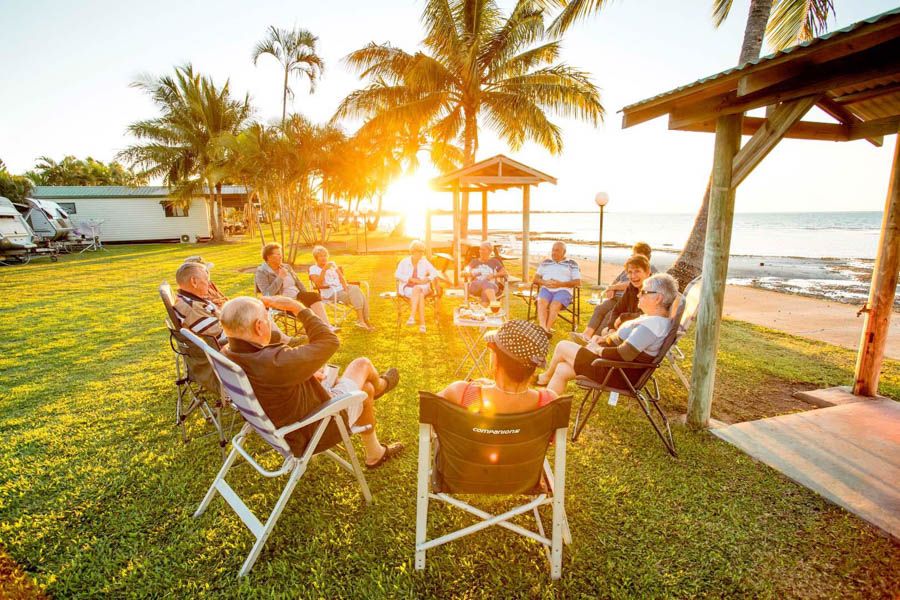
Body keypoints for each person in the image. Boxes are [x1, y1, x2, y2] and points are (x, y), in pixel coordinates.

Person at [220, 295, 404, 469]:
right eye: (269, 320)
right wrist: (297, 307)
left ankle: (375, 453)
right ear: (259, 327)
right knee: (362, 368)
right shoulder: (275, 363)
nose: (270, 324)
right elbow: (330, 341)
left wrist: (301, 375)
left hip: (281, 424)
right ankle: (382, 386)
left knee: (364, 389)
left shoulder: (227, 355)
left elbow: (271, 380)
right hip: (309, 429)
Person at [536, 273, 678, 397]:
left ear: (658, 298)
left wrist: (598, 349)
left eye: (644, 292)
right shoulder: (652, 320)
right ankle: (547, 407)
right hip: (614, 367)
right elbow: (626, 343)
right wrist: (604, 339)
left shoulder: (652, 325)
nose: (638, 294)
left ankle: (544, 378)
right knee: (562, 369)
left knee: (562, 346)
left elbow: (625, 354)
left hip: (617, 373)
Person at [172, 262, 295, 394]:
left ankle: (287, 344)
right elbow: (219, 334)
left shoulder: (190, 300)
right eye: (206, 280)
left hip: (226, 346)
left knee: (257, 314)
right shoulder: (191, 308)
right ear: (194, 282)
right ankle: (288, 355)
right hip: (230, 351)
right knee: (263, 324)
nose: (209, 284)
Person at [439, 320, 556, 414]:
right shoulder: (550, 401)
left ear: (496, 359)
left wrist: (477, 388)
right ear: (534, 367)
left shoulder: (461, 392)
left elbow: (430, 406)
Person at [573, 242, 657, 343]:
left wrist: (621, 317)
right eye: (630, 272)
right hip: (619, 302)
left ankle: (594, 340)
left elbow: (646, 315)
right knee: (601, 309)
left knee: (608, 316)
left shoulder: (651, 289)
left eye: (637, 271)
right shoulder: (632, 285)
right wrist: (610, 288)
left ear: (648, 272)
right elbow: (617, 309)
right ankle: (587, 336)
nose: (633, 275)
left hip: (634, 332)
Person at [255, 243, 336, 331]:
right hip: (280, 301)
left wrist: (306, 294)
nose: (281, 256)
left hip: (297, 296)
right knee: (306, 305)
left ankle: (327, 326)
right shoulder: (262, 272)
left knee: (313, 296)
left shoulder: (286, 267)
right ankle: (320, 328)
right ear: (269, 257)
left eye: (281, 253)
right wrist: (280, 277)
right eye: (278, 254)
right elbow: (267, 294)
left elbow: (298, 283)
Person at [309, 245, 374, 331]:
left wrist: (346, 289)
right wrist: (324, 270)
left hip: (342, 289)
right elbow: (318, 284)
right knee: (357, 292)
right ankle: (363, 320)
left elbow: (341, 278)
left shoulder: (332, 265)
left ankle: (363, 321)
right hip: (331, 292)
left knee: (356, 290)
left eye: (325, 255)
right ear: (316, 257)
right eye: (321, 256)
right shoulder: (313, 268)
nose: (324, 258)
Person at [533, 241, 581, 334]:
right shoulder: (546, 262)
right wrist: (545, 282)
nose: (554, 252)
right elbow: (535, 279)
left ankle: (547, 328)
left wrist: (560, 284)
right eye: (553, 250)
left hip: (563, 290)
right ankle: (543, 329)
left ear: (564, 252)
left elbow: (577, 282)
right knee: (541, 302)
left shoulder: (572, 263)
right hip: (546, 289)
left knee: (554, 305)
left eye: (557, 250)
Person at [394, 240, 441, 334]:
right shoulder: (404, 261)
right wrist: (409, 279)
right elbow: (397, 274)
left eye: (422, 251)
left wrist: (427, 279)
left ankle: (412, 317)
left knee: (418, 288)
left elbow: (435, 272)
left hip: (423, 286)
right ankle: (422, 324)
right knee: (420, 294)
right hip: (408, 288)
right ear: (413, 251)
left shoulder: (424, 261)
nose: (421, 254)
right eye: (420, 251)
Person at [465, 240, 506, 306]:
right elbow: (465, 272)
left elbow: (504, 272)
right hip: (475, 286)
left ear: (489, 251)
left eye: (483, 250)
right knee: (485, 282)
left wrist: (494, 275)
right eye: (480, 249)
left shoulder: (494, 261)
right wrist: (470, 273)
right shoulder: (474, 262)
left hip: (492, 287)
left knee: (486, 290)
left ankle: (485, 310)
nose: (480, 251)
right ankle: (495, 305)